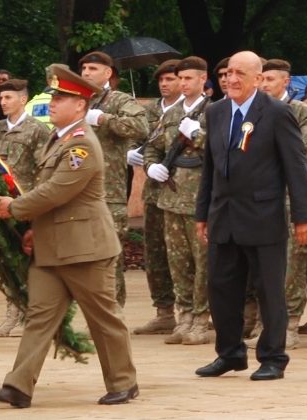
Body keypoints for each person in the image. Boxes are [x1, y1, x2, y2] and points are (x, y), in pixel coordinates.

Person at [0, 64, 137, 408]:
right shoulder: (59, 139)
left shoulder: (82, 144)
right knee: (39, 316)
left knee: (103, 318)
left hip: (85, 249)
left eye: (61, 98)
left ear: (80, 105)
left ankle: (123, 382)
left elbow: (56, 191)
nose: (52, 103)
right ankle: (18, 386)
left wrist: (14, 208)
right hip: (52, 247)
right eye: (53, 97)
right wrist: (34, 229)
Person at [194, 51, 307, 381]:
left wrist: (303, 217)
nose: (231, 79)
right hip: (223, 215)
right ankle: (230, 353)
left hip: (263, 215)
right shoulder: (216, 111)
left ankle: (273, 356)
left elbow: (295, 167)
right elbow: (210, 168)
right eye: (228, 73)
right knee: (220, 288)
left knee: (269, 291)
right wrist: (202, 213)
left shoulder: (276, 112)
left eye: (240, 74)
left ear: (258, 79)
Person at [250, 58, 307, 349]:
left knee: (292, 263)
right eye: (261, 79)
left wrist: (268, 152)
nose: (265, 85)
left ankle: (289, 323)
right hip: (258, 197)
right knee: (262, 263)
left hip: (289, 197)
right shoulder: (252, 109)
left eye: (271, 79)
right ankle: (264, 321)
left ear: (286, 82)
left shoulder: (298, 110)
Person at [0, 78, 51, 337]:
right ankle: (12, 313)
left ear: (23, 99)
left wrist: (36, 204)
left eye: (8, 98)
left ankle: (31, 316)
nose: (3, 102)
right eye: (0, 98)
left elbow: (44, 168)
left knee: (28, 261)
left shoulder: (37, 129)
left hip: (25, 202)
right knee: (6, 260)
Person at [144, 56, 212, 345]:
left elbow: (223, 150)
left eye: (188, 78)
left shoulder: (214, 112)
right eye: (180, 78)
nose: (183, 84)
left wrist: (198, 135)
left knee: (203, 263)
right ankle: (183, 317)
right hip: (171, 199)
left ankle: (201, 318)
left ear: (202, 79)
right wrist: (151, 166)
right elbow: (153, 146)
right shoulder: (171, 114)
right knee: (178, 262)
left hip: (200, 200)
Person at [80, 51, 149, 307]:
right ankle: (95, 313)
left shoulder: (119, 99)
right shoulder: (77, 100)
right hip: (78, 191)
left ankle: (113, 313)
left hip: (109, 193)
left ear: (108, 73)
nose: (86, 73)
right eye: (84, 69)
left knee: (109, 258)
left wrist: (103, 118)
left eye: (92, 69)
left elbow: (141, 127)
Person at [131, 59, 182, 335]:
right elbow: (139, 138)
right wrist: (133, 154)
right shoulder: (150, 111)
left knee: (187, 254)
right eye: (161, 80)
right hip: (154, 190)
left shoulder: (197, 111)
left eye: (170, 79)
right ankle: (164, 312)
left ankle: (196, 311)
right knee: (155, 252)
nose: (164, 84)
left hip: (184, 191)